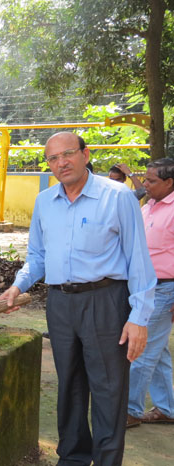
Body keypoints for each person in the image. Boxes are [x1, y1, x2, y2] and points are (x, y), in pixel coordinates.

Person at [0, 132, 156, 466]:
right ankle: (72, 458)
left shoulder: (117, 197)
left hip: (106, 301)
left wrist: (139, 317)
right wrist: (18, 285)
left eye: (68, 154)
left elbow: (138, 260)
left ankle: (107, 460)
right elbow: (37, 256)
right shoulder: (45, 201)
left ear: (85, 154)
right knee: (69, 385)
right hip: (61, 303)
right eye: (52, 158)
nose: (61, 163)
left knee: (108, 389)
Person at [127, 157, 174, 427]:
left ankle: (131, 411)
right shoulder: (150, 207)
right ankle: (167, 407)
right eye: (145, 178)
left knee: (142, 351)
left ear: (169, 183)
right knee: (158, 353)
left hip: (164, 289)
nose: (145, 184)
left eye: (152, 181)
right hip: (144, 288)